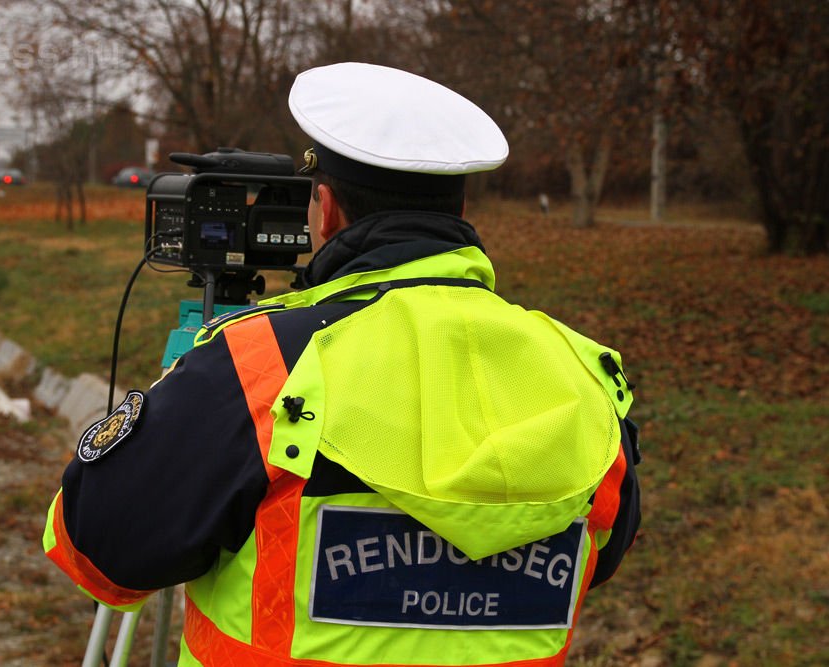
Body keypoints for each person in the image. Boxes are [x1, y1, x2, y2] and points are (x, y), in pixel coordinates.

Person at [43, 62, 641, 666]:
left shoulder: (260, 367)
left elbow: (98, 552)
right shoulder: (584, 374)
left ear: (325, 209)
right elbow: (604, 554)